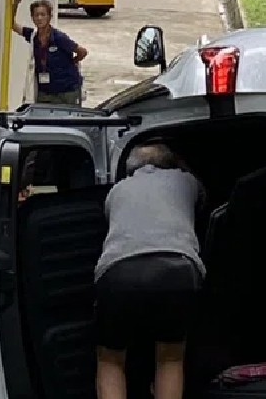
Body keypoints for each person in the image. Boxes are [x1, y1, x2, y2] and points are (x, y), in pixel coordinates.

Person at [93, 143, 206, 399]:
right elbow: (203, 203)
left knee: (111, 359)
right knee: (170, 357)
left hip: (119, 272)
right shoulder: (186, 180)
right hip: (178, 271)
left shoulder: (117, 190)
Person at [10, 0, 88, 106]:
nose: (39, 18)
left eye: (43, 14)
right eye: (36, 15)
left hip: (67, 92)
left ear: (49, 16)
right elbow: (13, 26)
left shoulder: (59, 37)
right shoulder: (33, 36)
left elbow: (82, 52)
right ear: (32, 17)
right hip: (45, 92)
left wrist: (73, 62)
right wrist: (14, 6)